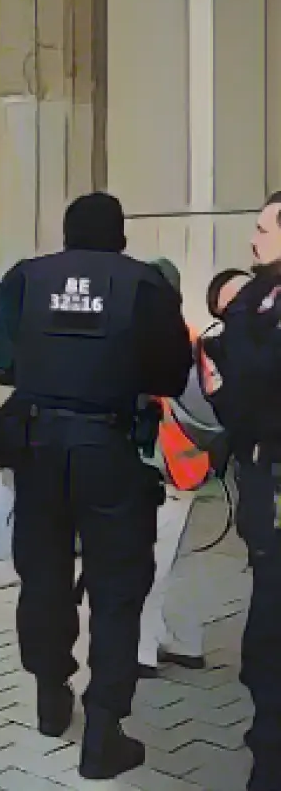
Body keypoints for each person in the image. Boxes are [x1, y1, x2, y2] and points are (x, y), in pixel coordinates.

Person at [0, 193, 192, 780]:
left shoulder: (26, 278)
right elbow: (173, 373)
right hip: (112, 450)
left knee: (44, 576)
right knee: (118, 589)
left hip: (39, 448)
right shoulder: (144, 285)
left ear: (67, 233)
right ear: (121, 235)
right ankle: (104, 730)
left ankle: (51, 694)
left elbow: (1, 365)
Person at [200, 192, 281, 791]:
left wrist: (225, 371)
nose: (253, 239)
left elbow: (254, 393)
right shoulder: (258, 303)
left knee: (269, 647)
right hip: (262, 492)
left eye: (262, 229)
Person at [136, 259, 227, 678]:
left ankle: (143, 650)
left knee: (151, 557)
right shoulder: (191, 338)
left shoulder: (157, 339)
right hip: (188, 465)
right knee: (169, 557)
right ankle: (174, 639)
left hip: (165, 466)